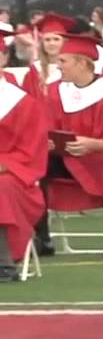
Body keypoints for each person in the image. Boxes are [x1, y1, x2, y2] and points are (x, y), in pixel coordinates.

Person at [35, 33, 103, 259]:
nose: (58, 66)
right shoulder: (55, 92)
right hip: (64, 157)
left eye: (64, 61)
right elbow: (43, 128)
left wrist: (96, 144)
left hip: (98, 159)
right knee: (37, 163)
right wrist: (50, 141)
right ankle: (42, 237)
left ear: (82, 63)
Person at [0, 70, 49, 281]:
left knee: (1, 187)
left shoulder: (20, 102)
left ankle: (4, 261)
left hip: (15, 175)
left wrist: (5, 164)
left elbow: (32, 150)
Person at [20, 12, 76, 100]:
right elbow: (27, 101)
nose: (52, 43)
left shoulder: (73, 68)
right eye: (47, 40)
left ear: (64, 42)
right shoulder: (34, 71)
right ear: (42, 43)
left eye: (56, 39)